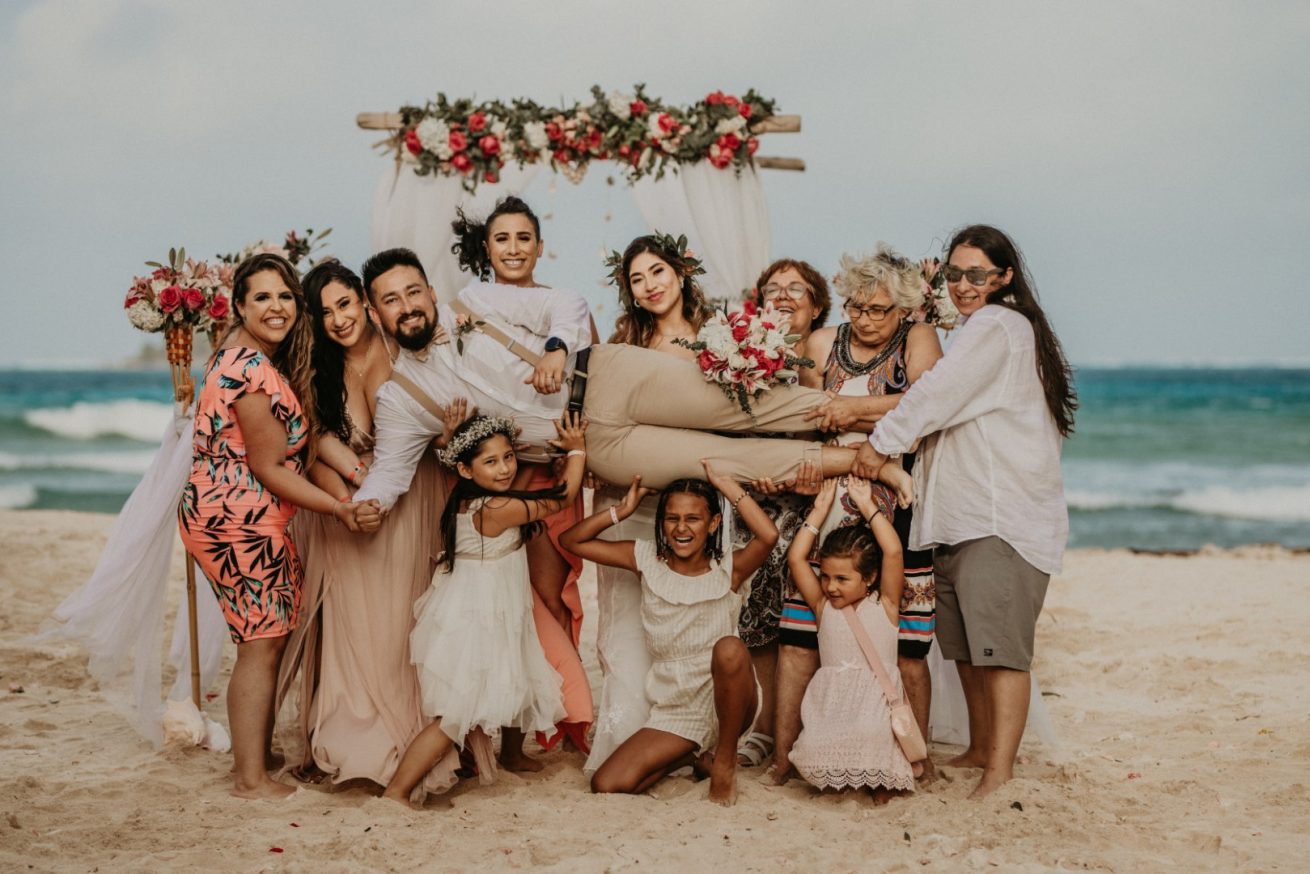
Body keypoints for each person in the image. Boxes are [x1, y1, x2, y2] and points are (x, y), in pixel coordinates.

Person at [349, 246, 877, 503]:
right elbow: (389, 475)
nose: (408, 306)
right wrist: (363, 509)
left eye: (413, 291)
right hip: (593, 445)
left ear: (430, 290)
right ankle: (866, 461)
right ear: (377, 313)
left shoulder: (475, 301)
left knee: (744, 405)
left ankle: (884, 414)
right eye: (391, 300)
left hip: (605, 375)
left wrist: (557, 347)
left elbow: (567, 303)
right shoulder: (402, 399)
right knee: (719, 461)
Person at [852, 224, 1076, 799]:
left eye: (977, 274)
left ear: (1003, 278)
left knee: (1001, 655)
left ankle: (999, 770)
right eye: (954, 274)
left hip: (998, 520)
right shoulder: (986, 328)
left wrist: (877, 446)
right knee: (969, 650)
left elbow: (935, 393)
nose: (962, 285)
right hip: (961, 517)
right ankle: (980, 748)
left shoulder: (1001, 325)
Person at [177, 253, 379, 799]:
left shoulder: (245, 356)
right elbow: (267, 466)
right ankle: (250, 779)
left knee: (265, 635)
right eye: (261, 297)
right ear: (239, 305)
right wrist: (337, 508)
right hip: (236, 518)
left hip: (238, 513)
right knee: (261, 643)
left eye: (285, 296)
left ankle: (254, 752)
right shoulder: (248, 369)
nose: (276, 307)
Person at [275, 260, 457, 794]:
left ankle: (417, 745)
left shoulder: (407, 343)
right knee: (359, 627)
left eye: (345, 304)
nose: (338, 319)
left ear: (364, 301)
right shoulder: (316, 369)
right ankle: (354, 742)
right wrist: (355, 486)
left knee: (407, 619)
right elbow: (312, 440)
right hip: (350, 506)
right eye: (325, 312)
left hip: (417, 497)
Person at [782, 244, 944, 782]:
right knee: (805, 631)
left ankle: (915, 755)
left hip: (896, 505)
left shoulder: (917, 339)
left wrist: (853, 409)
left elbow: (931, 398)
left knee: (908, 642)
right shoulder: (822, 343)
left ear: (903, 309)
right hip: (827, 496)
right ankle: (793, 755)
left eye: (879, 310)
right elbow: (804, 415)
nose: (866, 319)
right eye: (856, 307)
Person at [451, 196, 597, 755]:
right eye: (502, 239)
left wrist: (559, 352)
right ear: (486, 249)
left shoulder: (567, 303)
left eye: (523, 238)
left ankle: (566, 721)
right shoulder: (470, 301)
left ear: (540, 245)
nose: (513, 248)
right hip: (494, 476)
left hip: (552, 466)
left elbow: (586, 369)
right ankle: (506, 731)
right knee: (501, 600)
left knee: (551, 592)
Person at [382, 413, 587, 806]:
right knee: (456, 713)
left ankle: (511, 752)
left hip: (497, 605)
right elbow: (560, 498)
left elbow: (519, 492)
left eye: (508, 457)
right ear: (464, 468)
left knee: (518, 672)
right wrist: (577, 448)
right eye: (491, 462)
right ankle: (396, 792)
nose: (506, 468)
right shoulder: (494, 510)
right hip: (481, 615)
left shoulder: (474, 498)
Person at [560, 463, 779, 806]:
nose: (681, 528)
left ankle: (723, 761)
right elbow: (571, 540)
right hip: (676, 706)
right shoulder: (645, 558)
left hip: (728, 698)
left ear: (713, 524)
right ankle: (690, 757)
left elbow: (768, 536)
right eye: (672, 518)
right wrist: (623, 511)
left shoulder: (729, 568)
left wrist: (726, 486)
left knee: (730, 648)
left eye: (693, 519)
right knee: (607, 783)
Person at [584, 233, 715, 773]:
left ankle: (686, 738)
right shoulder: (624, 350)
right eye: (637, 279)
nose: (649, 286)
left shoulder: (724, 342)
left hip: (696, 508)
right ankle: (628, 739)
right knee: (629, 628)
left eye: (657, 272)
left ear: (681, 273)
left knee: (693, 624)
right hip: (634, 502)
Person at [729, 258, 833, 771]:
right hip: (748, 492)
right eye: (775, 288)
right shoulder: (739, 351)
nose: (785, 295)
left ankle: (788, 723)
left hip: (807, 497)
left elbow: (824, 424)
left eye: (798, 289)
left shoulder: (820, 351)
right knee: (747, 605)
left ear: (816, 306)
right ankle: (763, 722)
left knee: (789, 600)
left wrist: (801, 468)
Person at [785, 477, 916, 799]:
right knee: (816, 742)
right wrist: (818, 512)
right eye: (826, 577)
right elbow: (797, 558)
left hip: (874, 704)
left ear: (870, 577)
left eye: (842, 579)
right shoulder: (823, 606)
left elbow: (894, 550)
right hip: (831, 703)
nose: (831, 586)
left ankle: (878, 785)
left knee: (869, 733)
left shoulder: (885, 605)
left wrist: (868, 506)